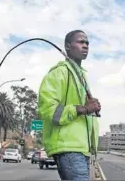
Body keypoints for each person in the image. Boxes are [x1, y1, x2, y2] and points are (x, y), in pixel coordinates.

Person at [38, 30, 101, 181]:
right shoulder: (59, 73)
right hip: (69, 148)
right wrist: (85, 108)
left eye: (87, 43)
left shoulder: (80, 75)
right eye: (80, 42)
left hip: (81, 149)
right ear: (67, 46)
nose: (85, 46)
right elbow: (49, 110)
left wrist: (91, 107)